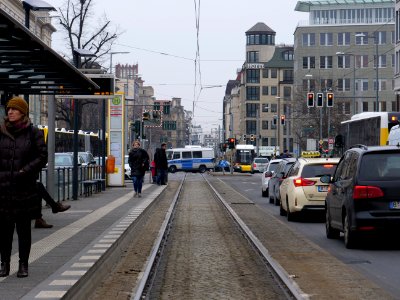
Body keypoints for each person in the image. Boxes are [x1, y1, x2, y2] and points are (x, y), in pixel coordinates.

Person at [0, 97, 48, 278]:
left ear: (23, 112)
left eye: (14, 109)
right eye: (9, 109)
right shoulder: (1, 131)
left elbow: (42, 156)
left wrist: (24, 171)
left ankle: (23, 265)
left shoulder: (33, 132)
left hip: (23, 189)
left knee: (23, 230)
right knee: (4, 231)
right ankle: (4, 263)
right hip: (3, 190)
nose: (10, 112)